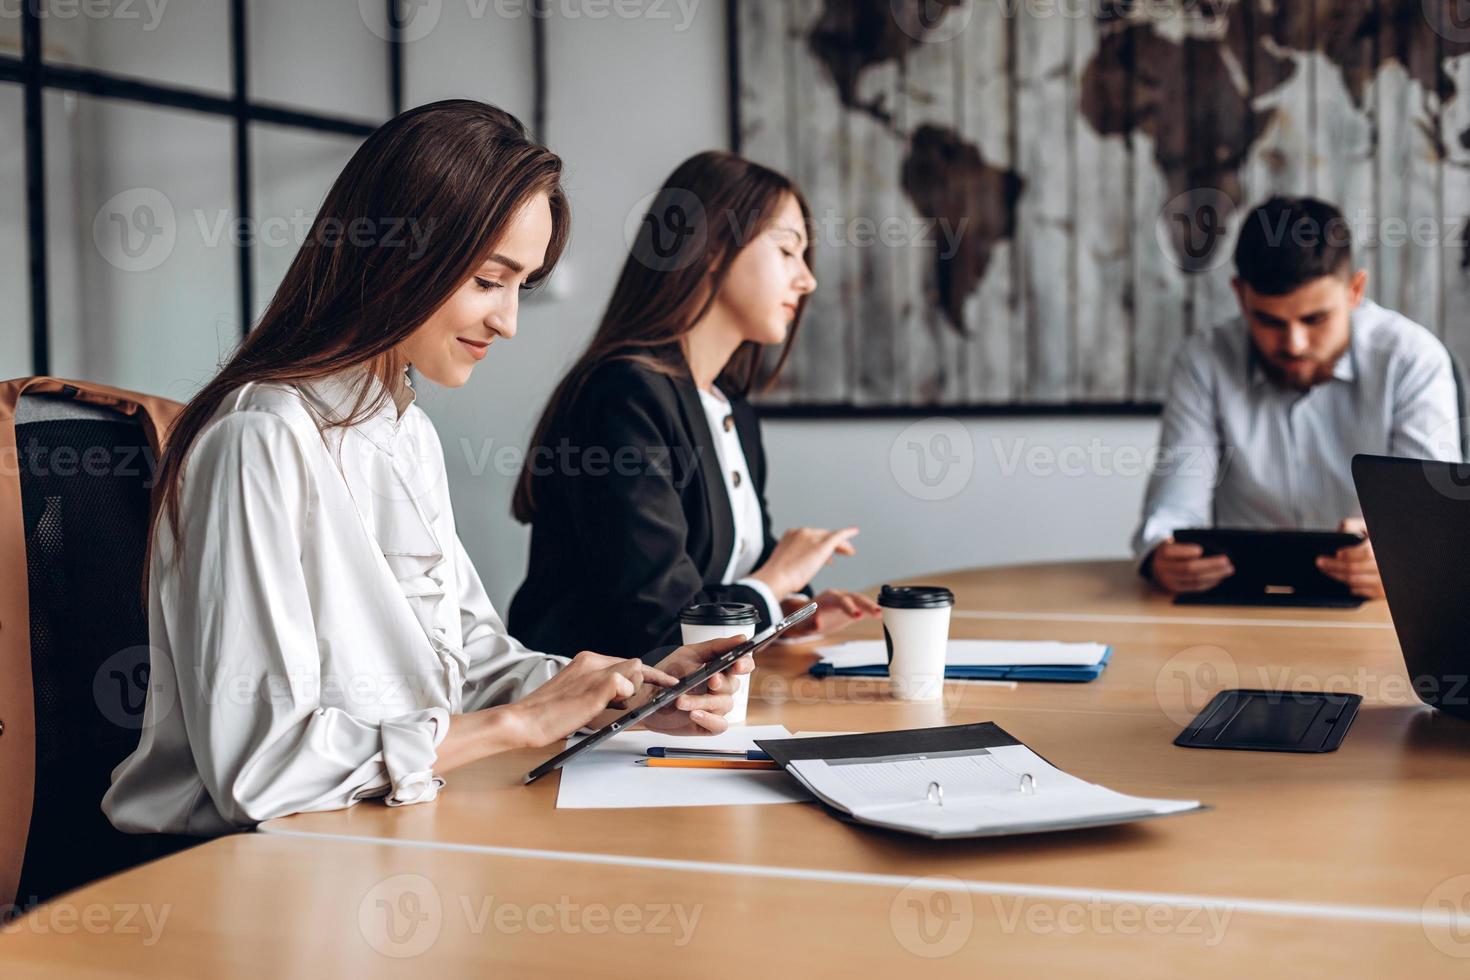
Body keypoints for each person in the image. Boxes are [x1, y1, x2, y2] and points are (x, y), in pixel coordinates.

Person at [103, 101, 750, 838]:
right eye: (487, 280)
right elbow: (263, 767)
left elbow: (464, 662)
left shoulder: (406, 430)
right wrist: (514, 725)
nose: (507, 321)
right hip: (232, 871)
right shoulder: (260, 439)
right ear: (398, 259)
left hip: (369, 834)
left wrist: (628, 689)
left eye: (521, 287)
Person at [508, 151, 880, 661]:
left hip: (691, 707)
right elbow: (660, 626)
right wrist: (776, 580)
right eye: (788, 252)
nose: (807, 279)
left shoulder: (731, 408)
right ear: (711, 247)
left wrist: (786, 609)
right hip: (602, 720)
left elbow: (724, 584)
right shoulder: (621, 395)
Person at [1134, 195, 1462, 599]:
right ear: (1240, 295)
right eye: (1269, 320)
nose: (1294, 343)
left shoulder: (1412, 359)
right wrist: (1164, 556)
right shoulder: (1203, 361)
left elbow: (1431, 526)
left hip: (1381, 613)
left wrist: (1403, 557)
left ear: (1354, 291)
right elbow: (1172, 512)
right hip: (1236, 610)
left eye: (1315, 319)